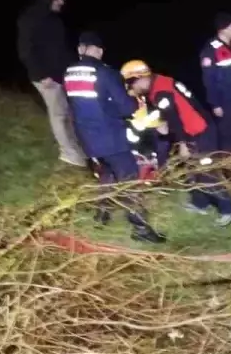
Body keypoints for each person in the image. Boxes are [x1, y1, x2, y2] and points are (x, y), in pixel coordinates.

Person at [63, 32, 165, 244]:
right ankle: (140, 228)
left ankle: (101, 214)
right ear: (99, 50)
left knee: (106, 175)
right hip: (111, 139)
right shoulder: (105, 73)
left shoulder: (69, 73)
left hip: (87, 139)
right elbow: (126, 107)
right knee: (130, 181)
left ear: (81, 49)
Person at [121, 60, 231, 226]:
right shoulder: (162, 82)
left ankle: (230, 210)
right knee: (192, 169)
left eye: (131, 84)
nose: (132, 90)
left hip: (199, 132)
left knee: (205, 172)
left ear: (140, 79)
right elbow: (175, 109)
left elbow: (175, 119)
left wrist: (183, 144)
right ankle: (200, 203)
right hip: (199, 126)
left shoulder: (160, 92)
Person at [17, 0, 88, 168]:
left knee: (69, 113)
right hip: (45, 78)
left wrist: (75, 65)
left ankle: (78, 149)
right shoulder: (29, 19)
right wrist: (41, 75)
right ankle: (68, 154)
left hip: (60, 75)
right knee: (58, 115)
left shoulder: (54, 20)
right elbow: (25, 51)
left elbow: (60, 50)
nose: (62, 2)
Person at [199, 13, 231, 154]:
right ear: (223, 29)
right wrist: (215, 103)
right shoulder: (211, 50)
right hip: (226, 101)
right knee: (228, 136)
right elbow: (209, 80)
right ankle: (228, 168)